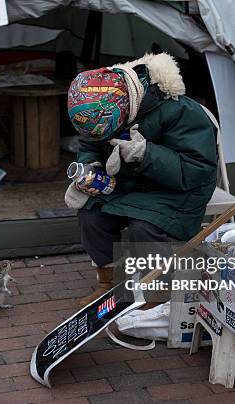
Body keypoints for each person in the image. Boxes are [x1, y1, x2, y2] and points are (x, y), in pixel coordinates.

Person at [65, 53, 217, 307]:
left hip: (178, 188)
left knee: (143, 228)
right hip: (130, 182)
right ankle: (109, 284)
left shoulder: (180, 110)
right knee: (91, 214)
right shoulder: (101, 105)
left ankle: (158, 292)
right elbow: (90, 142)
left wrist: (145, 153)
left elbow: (196, 169)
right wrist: (90, 166)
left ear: (125, 108)